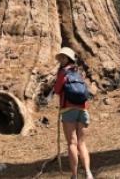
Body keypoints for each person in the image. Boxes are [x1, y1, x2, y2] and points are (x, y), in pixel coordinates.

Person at [53, 47, 94, 179]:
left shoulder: (63, 73)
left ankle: (74, 175)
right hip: (83, 109)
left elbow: (57, 90)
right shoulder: (79, 72)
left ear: (67, 59)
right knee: (81, 143)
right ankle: (88, 173)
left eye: (62, 58)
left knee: (72, 143)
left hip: (68, 110)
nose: (60, 60)